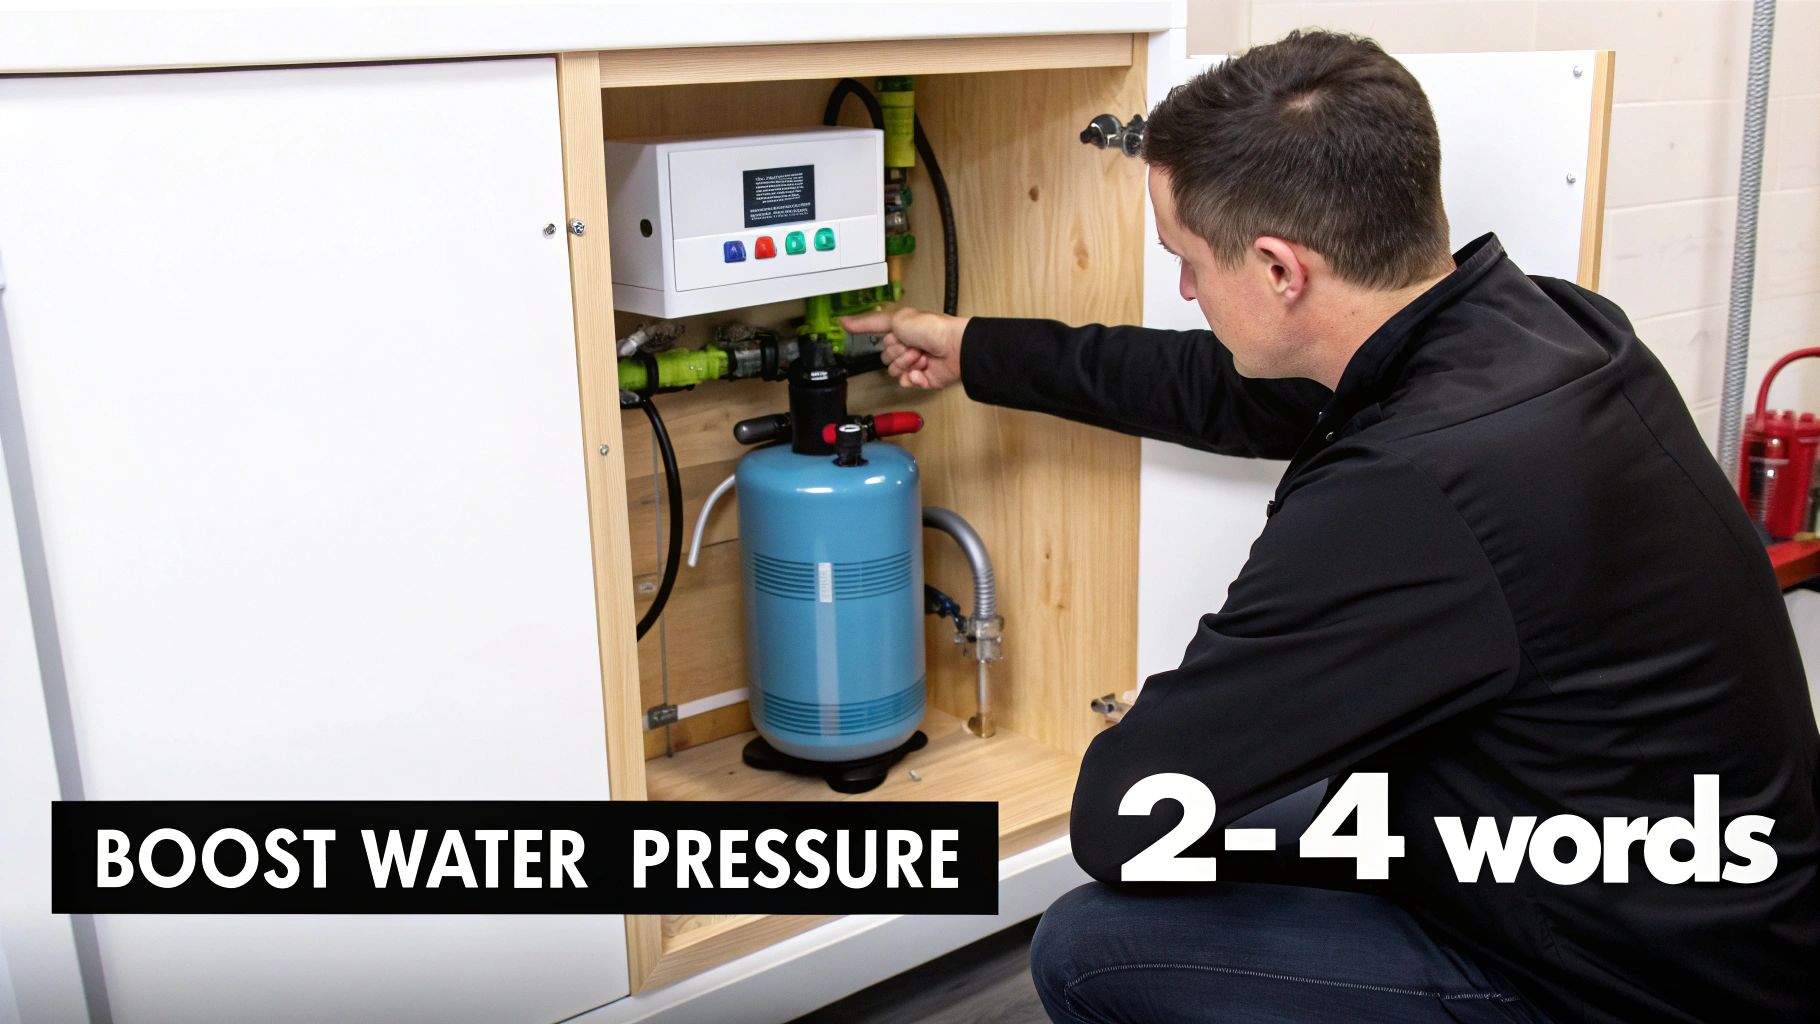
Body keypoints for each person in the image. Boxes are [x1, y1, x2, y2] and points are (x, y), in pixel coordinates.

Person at [841, 29, 1819, 1024]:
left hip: (1621, 985)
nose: (1184, 292)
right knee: (1257, 806)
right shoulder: (1539, 328)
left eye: (1186, 263)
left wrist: (1175, 725)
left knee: (1093, 945)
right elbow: (1210, 387)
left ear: (1277, 270)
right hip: (1705, 897)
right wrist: (976, 346)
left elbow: (1122, 815)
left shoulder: (1409, 485)